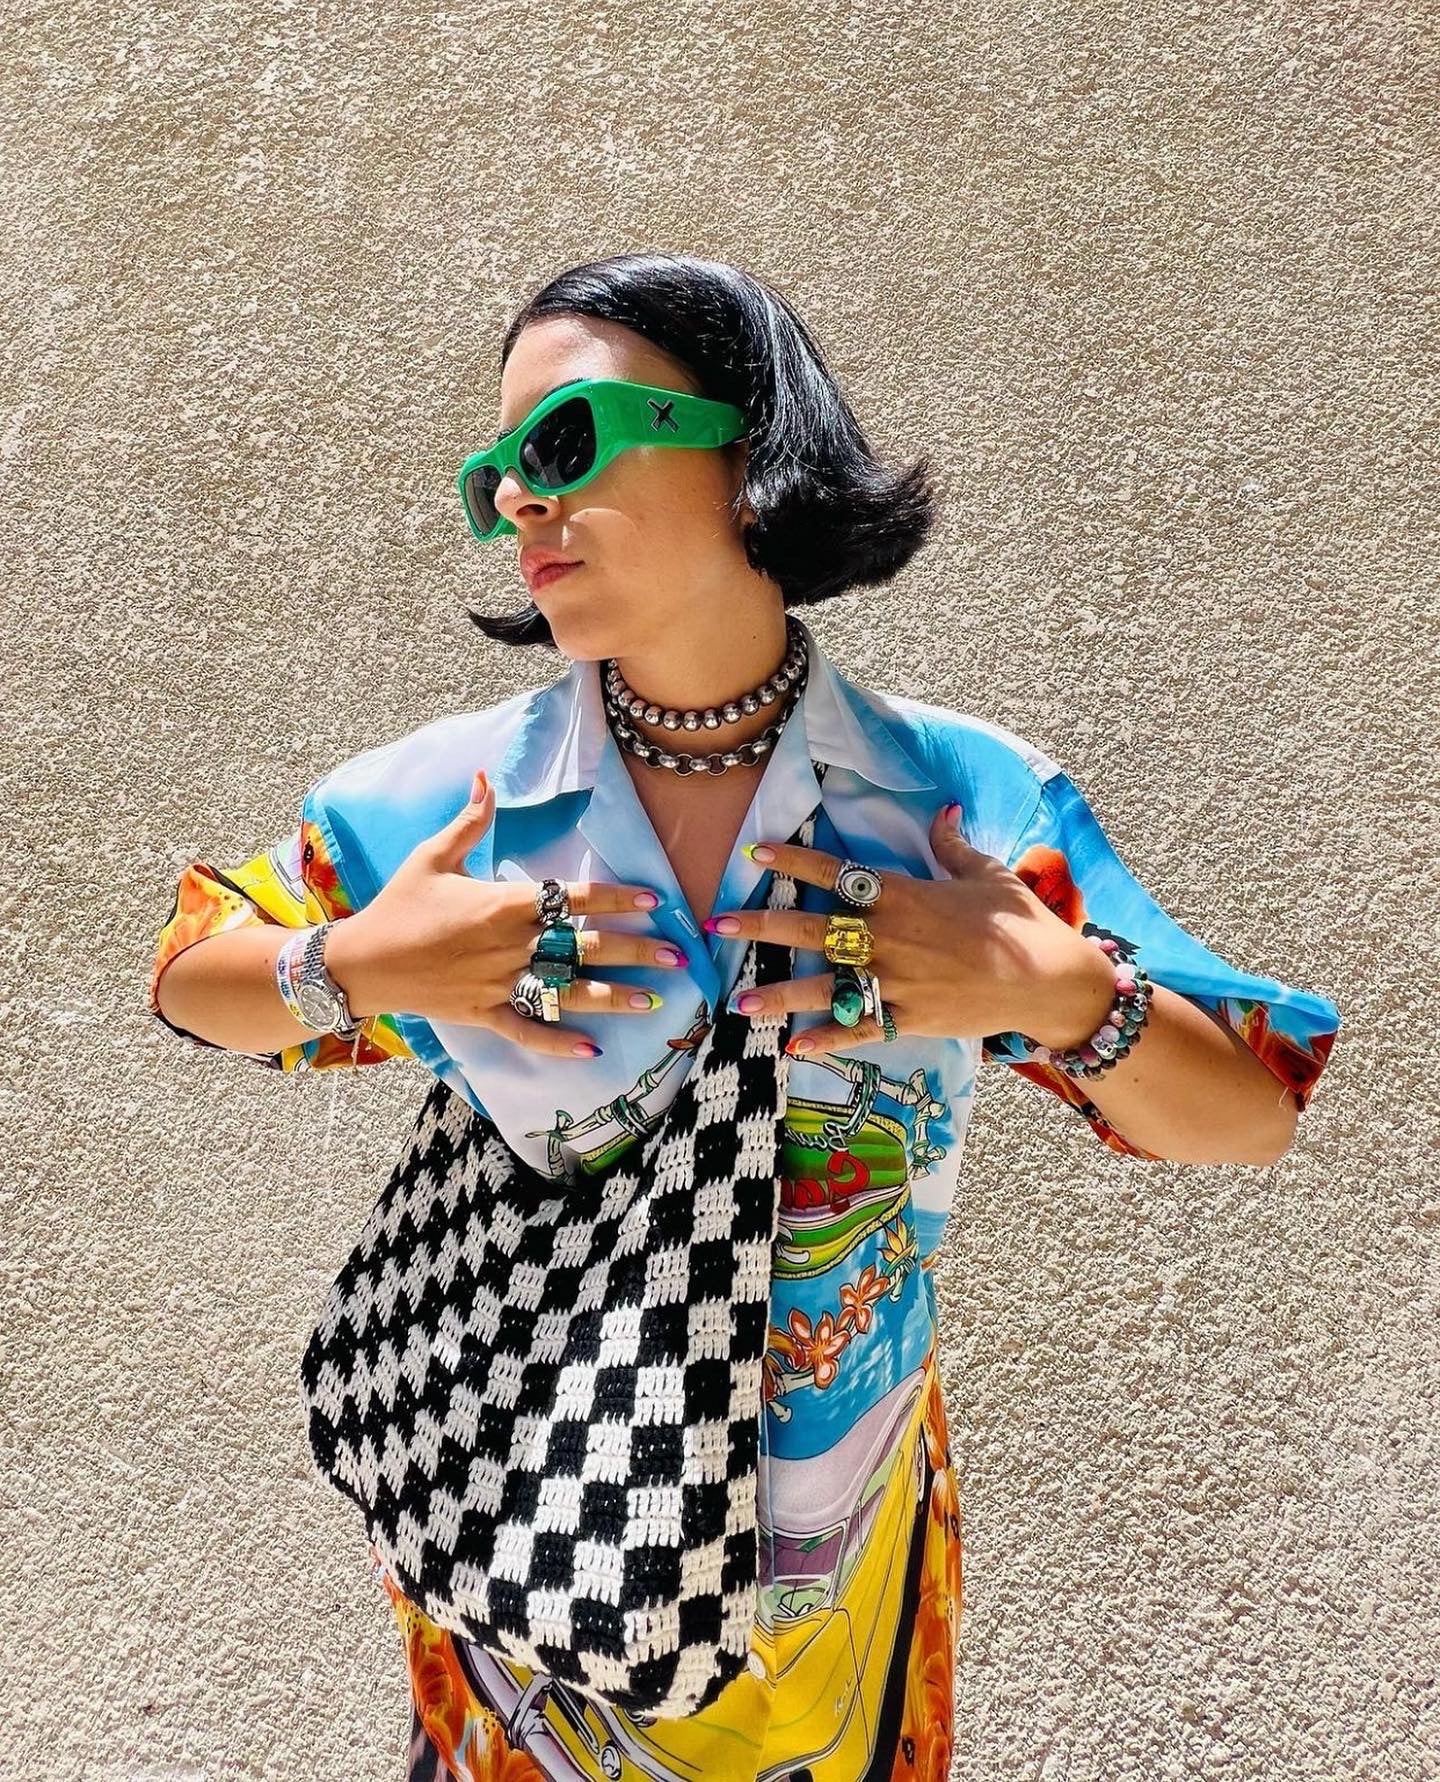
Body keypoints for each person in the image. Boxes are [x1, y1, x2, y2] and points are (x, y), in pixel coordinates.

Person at [147, 252, 1341, 1782]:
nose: (518, 498)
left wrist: (1053, 992)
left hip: (843, 1587)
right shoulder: (453, 805)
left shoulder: (954, 806)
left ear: (743, 438)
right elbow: (191, 971)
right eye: (492, 472)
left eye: (561, 444)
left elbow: (1250, 1109)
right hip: (537, 1563)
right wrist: (359, 968)